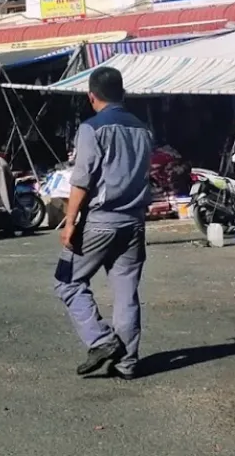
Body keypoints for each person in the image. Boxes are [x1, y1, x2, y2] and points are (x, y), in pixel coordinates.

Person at [54, 66, 152, 380]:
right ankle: (127, 362)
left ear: (91, 97)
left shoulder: (92, 128)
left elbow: (81, 181)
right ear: (123, 94)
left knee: (67, 281)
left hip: (100, 221)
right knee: (126, 292)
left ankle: (101, 340)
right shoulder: (143, 128)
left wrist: (69, 222)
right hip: (134, 222)